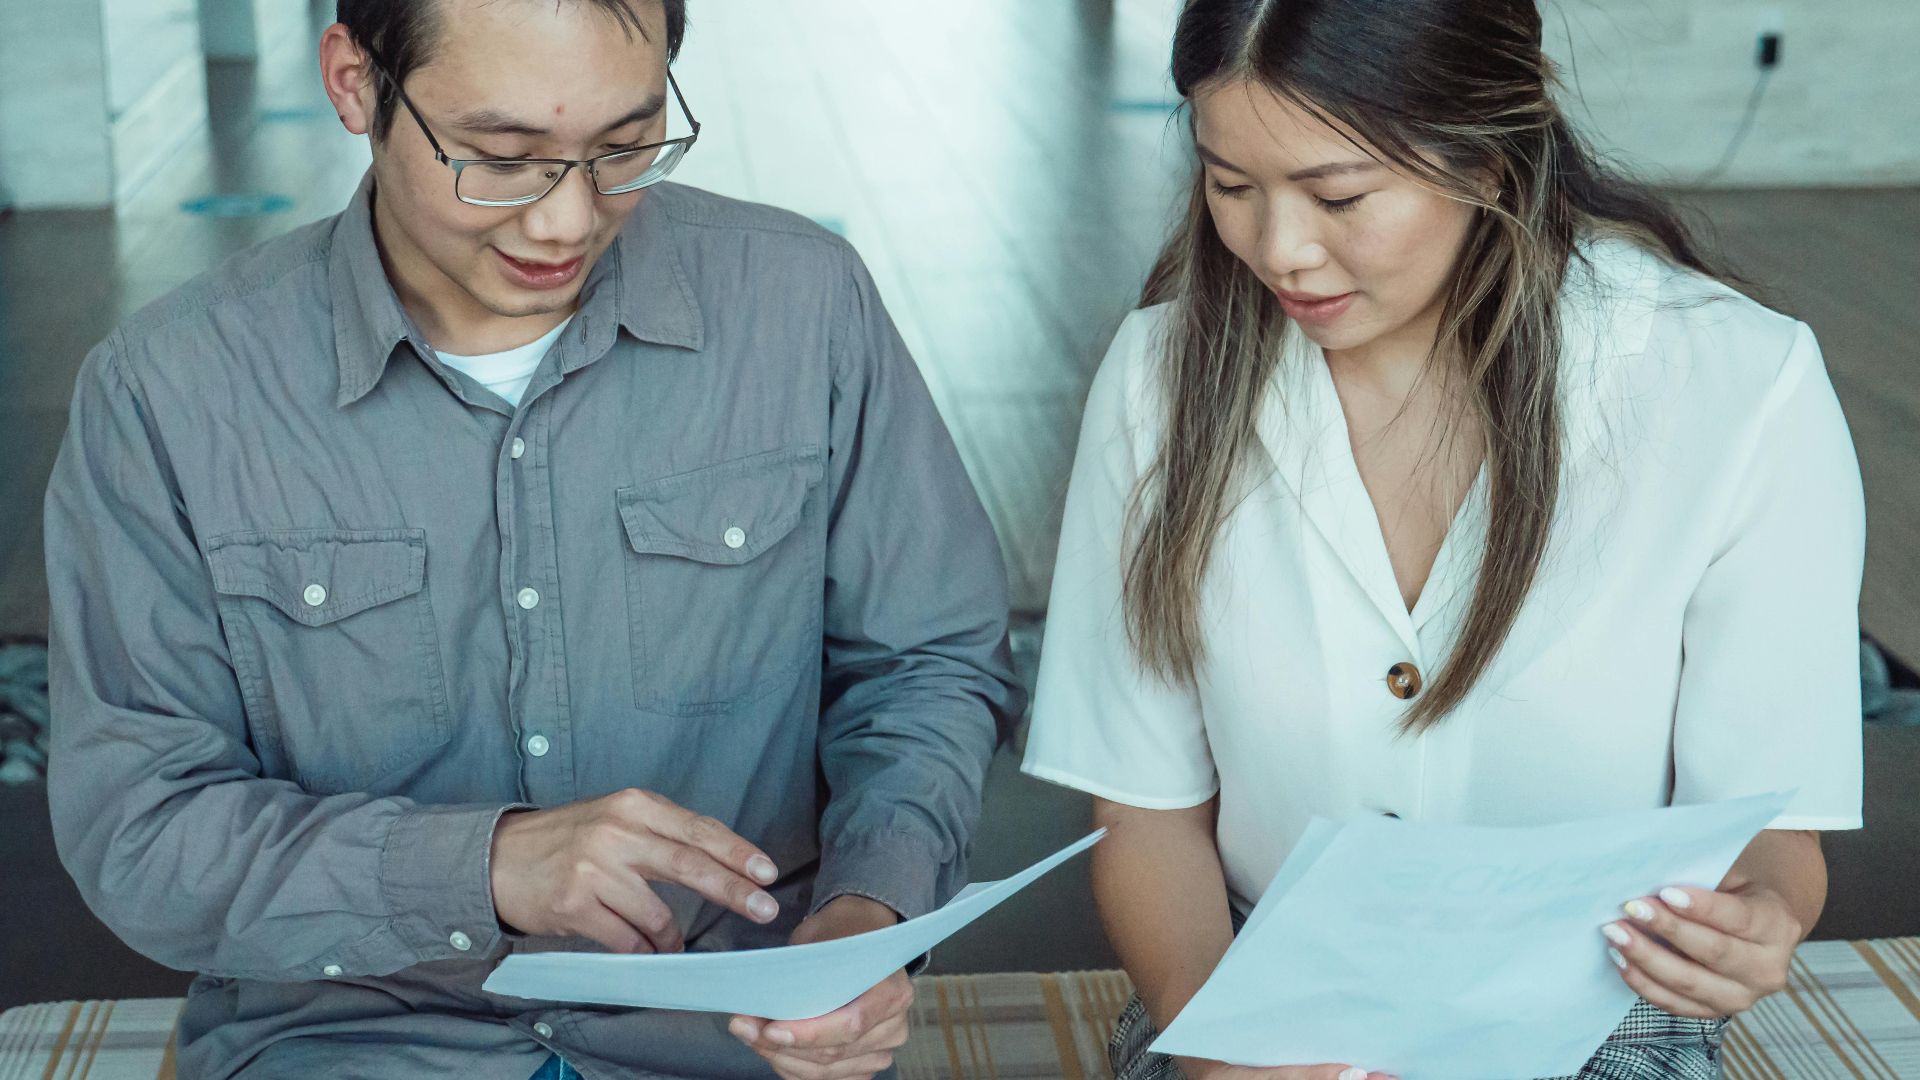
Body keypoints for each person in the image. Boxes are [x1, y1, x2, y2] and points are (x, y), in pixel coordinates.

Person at [43, 1, 1023, 1078]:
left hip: (735, 1041)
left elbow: (928, 662)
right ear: (355, 84)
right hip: (350, 1039)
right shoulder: (169, 393)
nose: (566, 222)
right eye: (500, 158)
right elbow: (139, 824)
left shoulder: (804, 308)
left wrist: (865, 913)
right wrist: (483, 867)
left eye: (622, 147)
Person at [1020, 1, 1864, 1078]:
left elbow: (1768, 829)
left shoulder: (1738, 388)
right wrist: (1223, 1040)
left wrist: (1763, 919)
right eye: (1229, 185)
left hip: (1593, 1008)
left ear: (1492, 165)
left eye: (1340, 196)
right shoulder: (1160, 381)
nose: (1278, 249)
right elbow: (1145, 816)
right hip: (1254, 986)